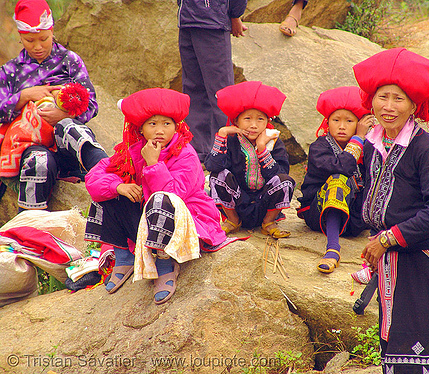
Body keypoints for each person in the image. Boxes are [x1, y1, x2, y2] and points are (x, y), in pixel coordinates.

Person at [353, 48, 429, 374]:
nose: (389, 107)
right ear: (370, 100)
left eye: (398, 99)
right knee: (392, 345)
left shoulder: (427, 150)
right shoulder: (374, 143)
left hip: (419, 263)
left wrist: (387, 239)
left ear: (414, 105)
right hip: (390, 261)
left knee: (414, 351)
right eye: (382, 97)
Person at [84, 88, 227, 305]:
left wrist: (153, 163)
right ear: (140, 128)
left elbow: (172, 195)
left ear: (176, 126)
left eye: (166, 124)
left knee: (160, 201)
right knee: (109, 193)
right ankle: (124, 255)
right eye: (152, 124)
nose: (160, 130)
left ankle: (165, 263)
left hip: (186, 219)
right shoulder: (132, 151)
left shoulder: (185, 154)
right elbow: (94, 178)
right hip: (151, 218)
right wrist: (118, 187)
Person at [0, 0, 107, 212]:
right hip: (33, 147)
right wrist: (23, 96)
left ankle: (106, 171)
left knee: (71, 128)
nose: (37, 47)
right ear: (20, 37)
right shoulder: (10, 71)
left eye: (44, 39)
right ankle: (29, 231)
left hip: (66, 144)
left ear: (52, 32)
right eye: (30, 40)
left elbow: (91, 103)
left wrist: (63, 114)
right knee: (38, 163)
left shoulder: (69, 61)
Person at [205, 81, 295, 238]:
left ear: (267, 122)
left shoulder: (274, 142)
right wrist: (222, 133)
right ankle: (232, 221)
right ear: (236, 122)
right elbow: (213, 165)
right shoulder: (231, 141)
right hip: (238, 203)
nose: (253, 125)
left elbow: (280, 175)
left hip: (264, 203)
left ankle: (268, 222)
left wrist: (261, 148)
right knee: (217, 176)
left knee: (284, 180)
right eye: (247, 118)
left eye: (260, 119)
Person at [297, 86, 373, 273]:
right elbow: (343, 167)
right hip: (319, 216)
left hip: (355, 220)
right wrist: (359, 138)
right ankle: (332, 249)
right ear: (327, 122)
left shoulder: (370, 147)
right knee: (338, 179)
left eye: (349, 121)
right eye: (336, 120)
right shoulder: (319, 147)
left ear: (359, 123)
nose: (341, 126)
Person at [177, 0, 248, 163]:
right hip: (187, 19)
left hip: (212, 20)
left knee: (221, 93)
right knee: (193, 88)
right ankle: (199, 153)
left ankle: (230, 154)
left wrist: (235, 15)